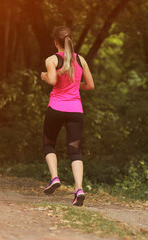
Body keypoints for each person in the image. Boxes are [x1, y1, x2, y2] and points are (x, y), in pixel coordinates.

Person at [40, 26, 95, 206]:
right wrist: (75, 86)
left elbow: (53, 81)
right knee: (74, 151)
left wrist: (43, 76)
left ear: (55, 42)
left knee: (49, 144)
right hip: (75, 111)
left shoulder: (51, 60)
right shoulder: (81, 60)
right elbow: (90, 85)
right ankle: (79, 188)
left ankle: (54, 177)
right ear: (70, 40)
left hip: (56, 109)